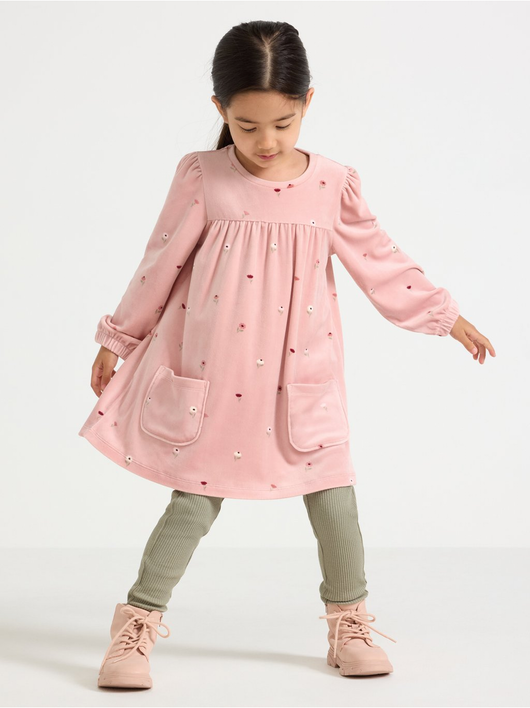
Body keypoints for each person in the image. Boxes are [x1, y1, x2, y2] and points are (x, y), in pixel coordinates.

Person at [81, 20, 495, 689]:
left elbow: (379, 259)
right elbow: (159, 263)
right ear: (220, 109)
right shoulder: (202, 176)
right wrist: (118, 339)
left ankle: (349, 624)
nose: (266, 141)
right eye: (247, 126)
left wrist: (445, 315)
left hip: (301, 379)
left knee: (335, 502)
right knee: (193, 504)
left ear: (307, 102)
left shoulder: (332, 184)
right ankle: (136, 625)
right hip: (216, 378)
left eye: (283, 122)